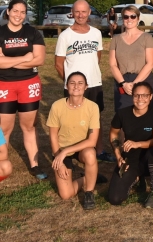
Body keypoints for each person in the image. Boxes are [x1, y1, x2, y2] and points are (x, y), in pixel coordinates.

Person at [0, 0, 47, 179]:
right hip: (3, 84)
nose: (18, 15)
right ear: (8, 12)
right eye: (15, 11)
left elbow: (39, 60)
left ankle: (35, 165)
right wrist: (24, 59)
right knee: (4, 128)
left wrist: (8, 61)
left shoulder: (33, 32)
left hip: (29, 84)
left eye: (22, 12)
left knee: (29, 126)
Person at [54, 0, 115, 165]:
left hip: (94, 83)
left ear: (89, 13)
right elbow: (59, 63)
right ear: (72, 13)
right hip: (74, 88)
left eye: (84, 12)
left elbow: (97, 57)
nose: (80, 15)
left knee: (96, 118)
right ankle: (68, 150)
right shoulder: (65, 35)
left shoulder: (95, 33)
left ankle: (99, 150)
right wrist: (70, 83)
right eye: (77, 12)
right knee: (70, 118)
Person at [108, 81, 153, 208]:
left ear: (151, 97)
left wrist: (138, 144)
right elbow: (113, 134)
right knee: (115, 198)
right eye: (136, 95)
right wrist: (118, 156)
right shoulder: (122, 114)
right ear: (132, 96)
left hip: (151, 156)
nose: (140, 99)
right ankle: (137, 178)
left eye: (144, 95)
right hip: (131, 158)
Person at [46, 72, 100, 210]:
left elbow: (92, 141)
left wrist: (66, 152)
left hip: (80, 148)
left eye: (80, 83)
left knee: (90, 154)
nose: (76, 86)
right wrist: (59, 156)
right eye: (72, 83)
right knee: (66, 195)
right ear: (66, 86)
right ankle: (86, 178)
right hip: (61, 150)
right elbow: (52, 136)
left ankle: (89, 192)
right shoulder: (57, 106)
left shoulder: (93, 107)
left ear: (86, 87)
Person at [109, 5, 153, 112]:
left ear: (138, 18)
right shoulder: (116, 39)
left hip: (143, 80)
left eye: (133, 16)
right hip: (122, 81)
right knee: (123, 116)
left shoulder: (146, 38)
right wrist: (123, 83)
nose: (129, 19)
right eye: (126, 17)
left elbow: (150, 63)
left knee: (146, 115)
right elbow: (112, 64)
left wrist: (135, 83)